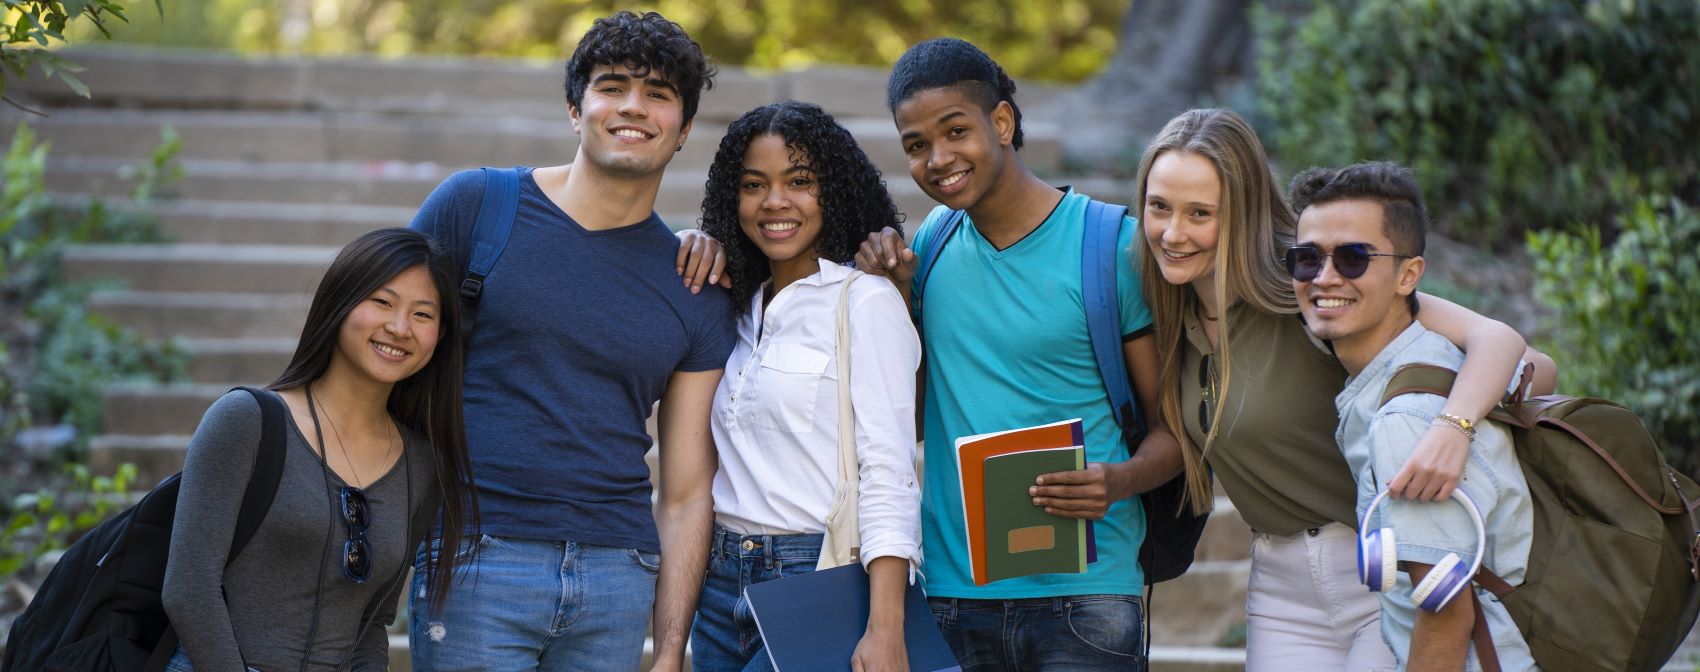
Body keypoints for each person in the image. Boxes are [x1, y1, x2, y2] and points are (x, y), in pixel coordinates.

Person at [1133, 108, 1552, 670]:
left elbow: (1522, 358)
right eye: (1159, 207)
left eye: (1200, 213)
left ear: (1240, 215)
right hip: (1279, 581)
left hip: (1380, 571)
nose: (1173, 233)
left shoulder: (1314, 284)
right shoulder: (1167, 308)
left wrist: (1454, 427)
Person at [404, 11, 734, 672]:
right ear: (575, 109)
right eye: (613, 86)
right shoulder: (476, 205)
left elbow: (686, 493)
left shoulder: (694, 285)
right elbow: (379, 342)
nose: (633, 107)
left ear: (685, 130)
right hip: (477, 557)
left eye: (660, 94)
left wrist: (670, 648)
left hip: (619, 576)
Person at [855, 38, 1182, 671]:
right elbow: (912, 417)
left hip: (1086, 598)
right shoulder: (933, 242)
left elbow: (1174, 434)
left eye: (956, 131)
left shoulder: (1110, 244)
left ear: (1002, 122)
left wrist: (1116, 482)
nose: (938, 159)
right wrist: (896, 299)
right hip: (952, 594)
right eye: (917, 145)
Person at [161, 227, 478, 671]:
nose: (399, 327)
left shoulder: (421, 466)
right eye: (383, 302)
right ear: (340, 303)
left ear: (440, 336)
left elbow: (372, 623)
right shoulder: (246, 420)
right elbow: (189, 589)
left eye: (423, 315)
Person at [690, 101, 921, 672]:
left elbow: (889, 469)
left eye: (800, 182)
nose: (775, 202)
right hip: (716, 584)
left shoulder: (864, 301)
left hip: (817, 576)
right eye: (753, 184)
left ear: (833, 193)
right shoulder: (734, 306)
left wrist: (886, 627)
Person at [1290, 161, 1537, 671]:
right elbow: (1541, 370)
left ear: (1409, 275)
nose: (1325, 276)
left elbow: (1443, 611)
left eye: (1354, 258)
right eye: (1306, 258)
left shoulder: (1404, 418)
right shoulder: (1448, 358)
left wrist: (1452, 427)